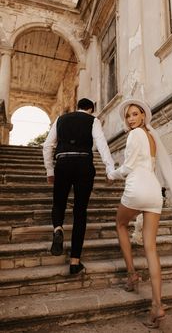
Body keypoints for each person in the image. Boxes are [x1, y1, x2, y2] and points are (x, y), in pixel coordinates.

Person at [108, 99, 172, 329]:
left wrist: (112, 175)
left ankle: (132, 274)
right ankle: (157, 305)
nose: (131, 119)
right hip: (154, 191)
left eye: (135, 114)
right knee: (151, 248)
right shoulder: (153, 136)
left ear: (143, 116)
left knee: (120, 225)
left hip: (137, 188)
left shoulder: (134, 135)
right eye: (128, 116)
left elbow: (128, 167)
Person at [43, 98, 114, 275]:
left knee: (58, 203)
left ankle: (58, 228)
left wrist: (50, 170)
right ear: (91, 109)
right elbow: (101, 143)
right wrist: (109, 168)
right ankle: (75, 262)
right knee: (80, 211)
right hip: (83, 164)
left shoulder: (60, 119)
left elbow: (47, 146)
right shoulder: (93, 120)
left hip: (63, 162)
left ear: (77, 108)